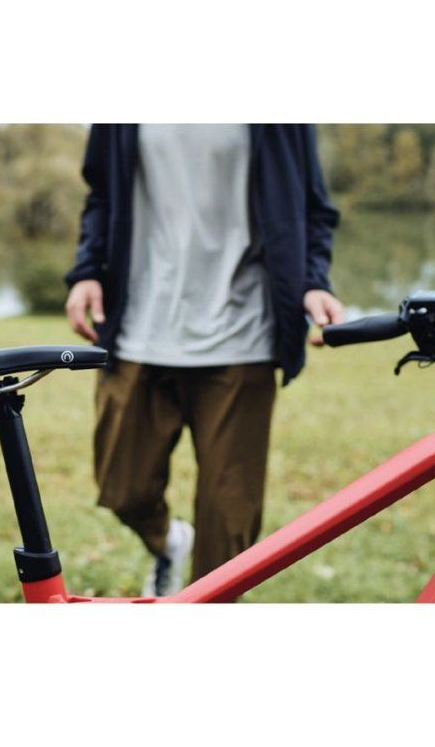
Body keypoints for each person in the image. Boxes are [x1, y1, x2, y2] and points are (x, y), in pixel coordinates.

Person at [64, 124, 343, 597]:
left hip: (243, 336)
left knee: (229, 525)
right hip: (140, 329)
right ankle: (168, 542)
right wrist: (88, 270)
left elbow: (313, 207)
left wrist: (314, 281)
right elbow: (102, 192)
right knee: (123, 487)